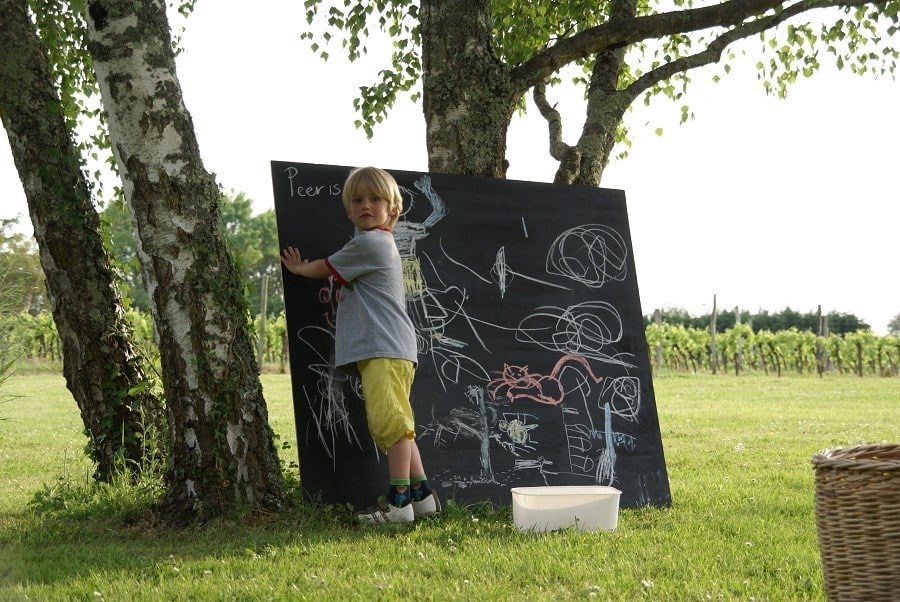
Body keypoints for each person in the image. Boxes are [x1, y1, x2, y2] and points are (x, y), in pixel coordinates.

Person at [280, 166, 440, 524]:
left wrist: (301, 269)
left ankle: (399, 507)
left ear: (392, 209)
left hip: (383, 348)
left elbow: (326, 266)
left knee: (392, 425)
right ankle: (424, 499)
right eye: (357, 200)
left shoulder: (368, 244)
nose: (366, 205)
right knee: (401, 423)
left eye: (375, 199)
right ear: (349, 210)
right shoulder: (379, 243)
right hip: (392, 348)